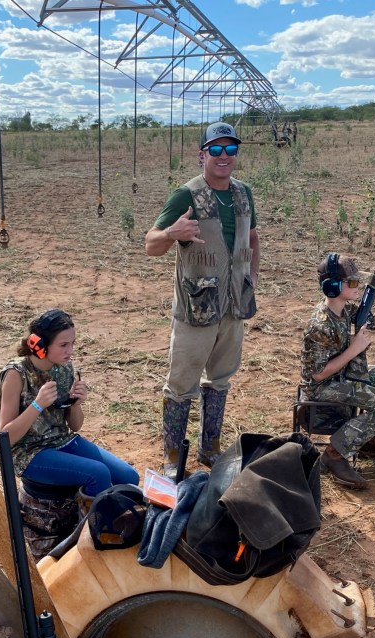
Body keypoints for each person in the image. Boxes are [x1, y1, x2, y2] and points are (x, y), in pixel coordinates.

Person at [145, 121, 260, 476]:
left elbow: (253, 238)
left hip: (234, 305)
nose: (224, 156)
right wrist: (171, 232)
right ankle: (172, 456)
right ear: (202, 155)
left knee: (221, 379)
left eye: (231, 149)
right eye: (216, 149)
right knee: (181, 385)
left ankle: (210, 447)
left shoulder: (243, 193)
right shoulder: (187, 195)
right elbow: (151, 245)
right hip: (197, 307)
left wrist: (252, 278)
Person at [0, 308, 139, 511]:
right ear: (40, 345)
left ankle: (116, 521)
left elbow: (75, 426)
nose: (70, 351)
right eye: (63, 345)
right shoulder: (16, 374)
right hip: (28, 453)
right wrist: (37, 405)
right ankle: (97, 526)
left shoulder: (63, 368)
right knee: (98, 473)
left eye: (72, 343)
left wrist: (76, 403)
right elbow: (6, 437)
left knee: (128, 476)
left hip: (61, 441)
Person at [299, 252, 375, 489]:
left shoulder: (346, 311)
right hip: (324, 386)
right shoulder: (320, 324)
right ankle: (334, 454)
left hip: (346, 374)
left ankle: (372, 441)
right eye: (351, 282)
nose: (358, 286)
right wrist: (354, 349)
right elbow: (318, 375)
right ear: (332, 286)